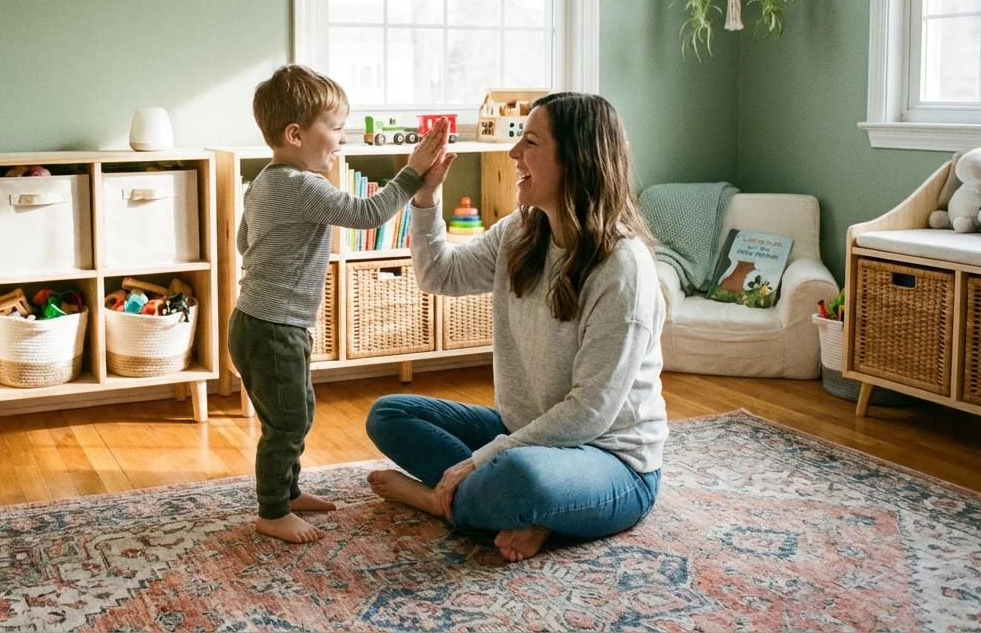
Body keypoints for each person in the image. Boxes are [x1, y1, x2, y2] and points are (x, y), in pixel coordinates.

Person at [365, 92, 668, 562]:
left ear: (577, 159)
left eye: (529, 142)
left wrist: (479, 460)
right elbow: (438, 275)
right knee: (389, 414)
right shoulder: (520, 232)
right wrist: (426, 198)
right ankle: (509, 509)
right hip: (525, 431)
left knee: (522, 477)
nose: (513, 155)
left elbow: (590, 414)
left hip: (613, 462)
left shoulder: (623, 268)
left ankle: (440, 501)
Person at [232, 64, 448, 544]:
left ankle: (286, 492)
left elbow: (246, 241)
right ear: (295, 134)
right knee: (288, 420)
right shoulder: (305, 186)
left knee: (291, 413)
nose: (343, 140)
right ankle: (271, 510)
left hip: (253, 321)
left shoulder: (262, 183)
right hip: (275, 327)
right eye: (336, 129)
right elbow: (370, 214)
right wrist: (413, 171)